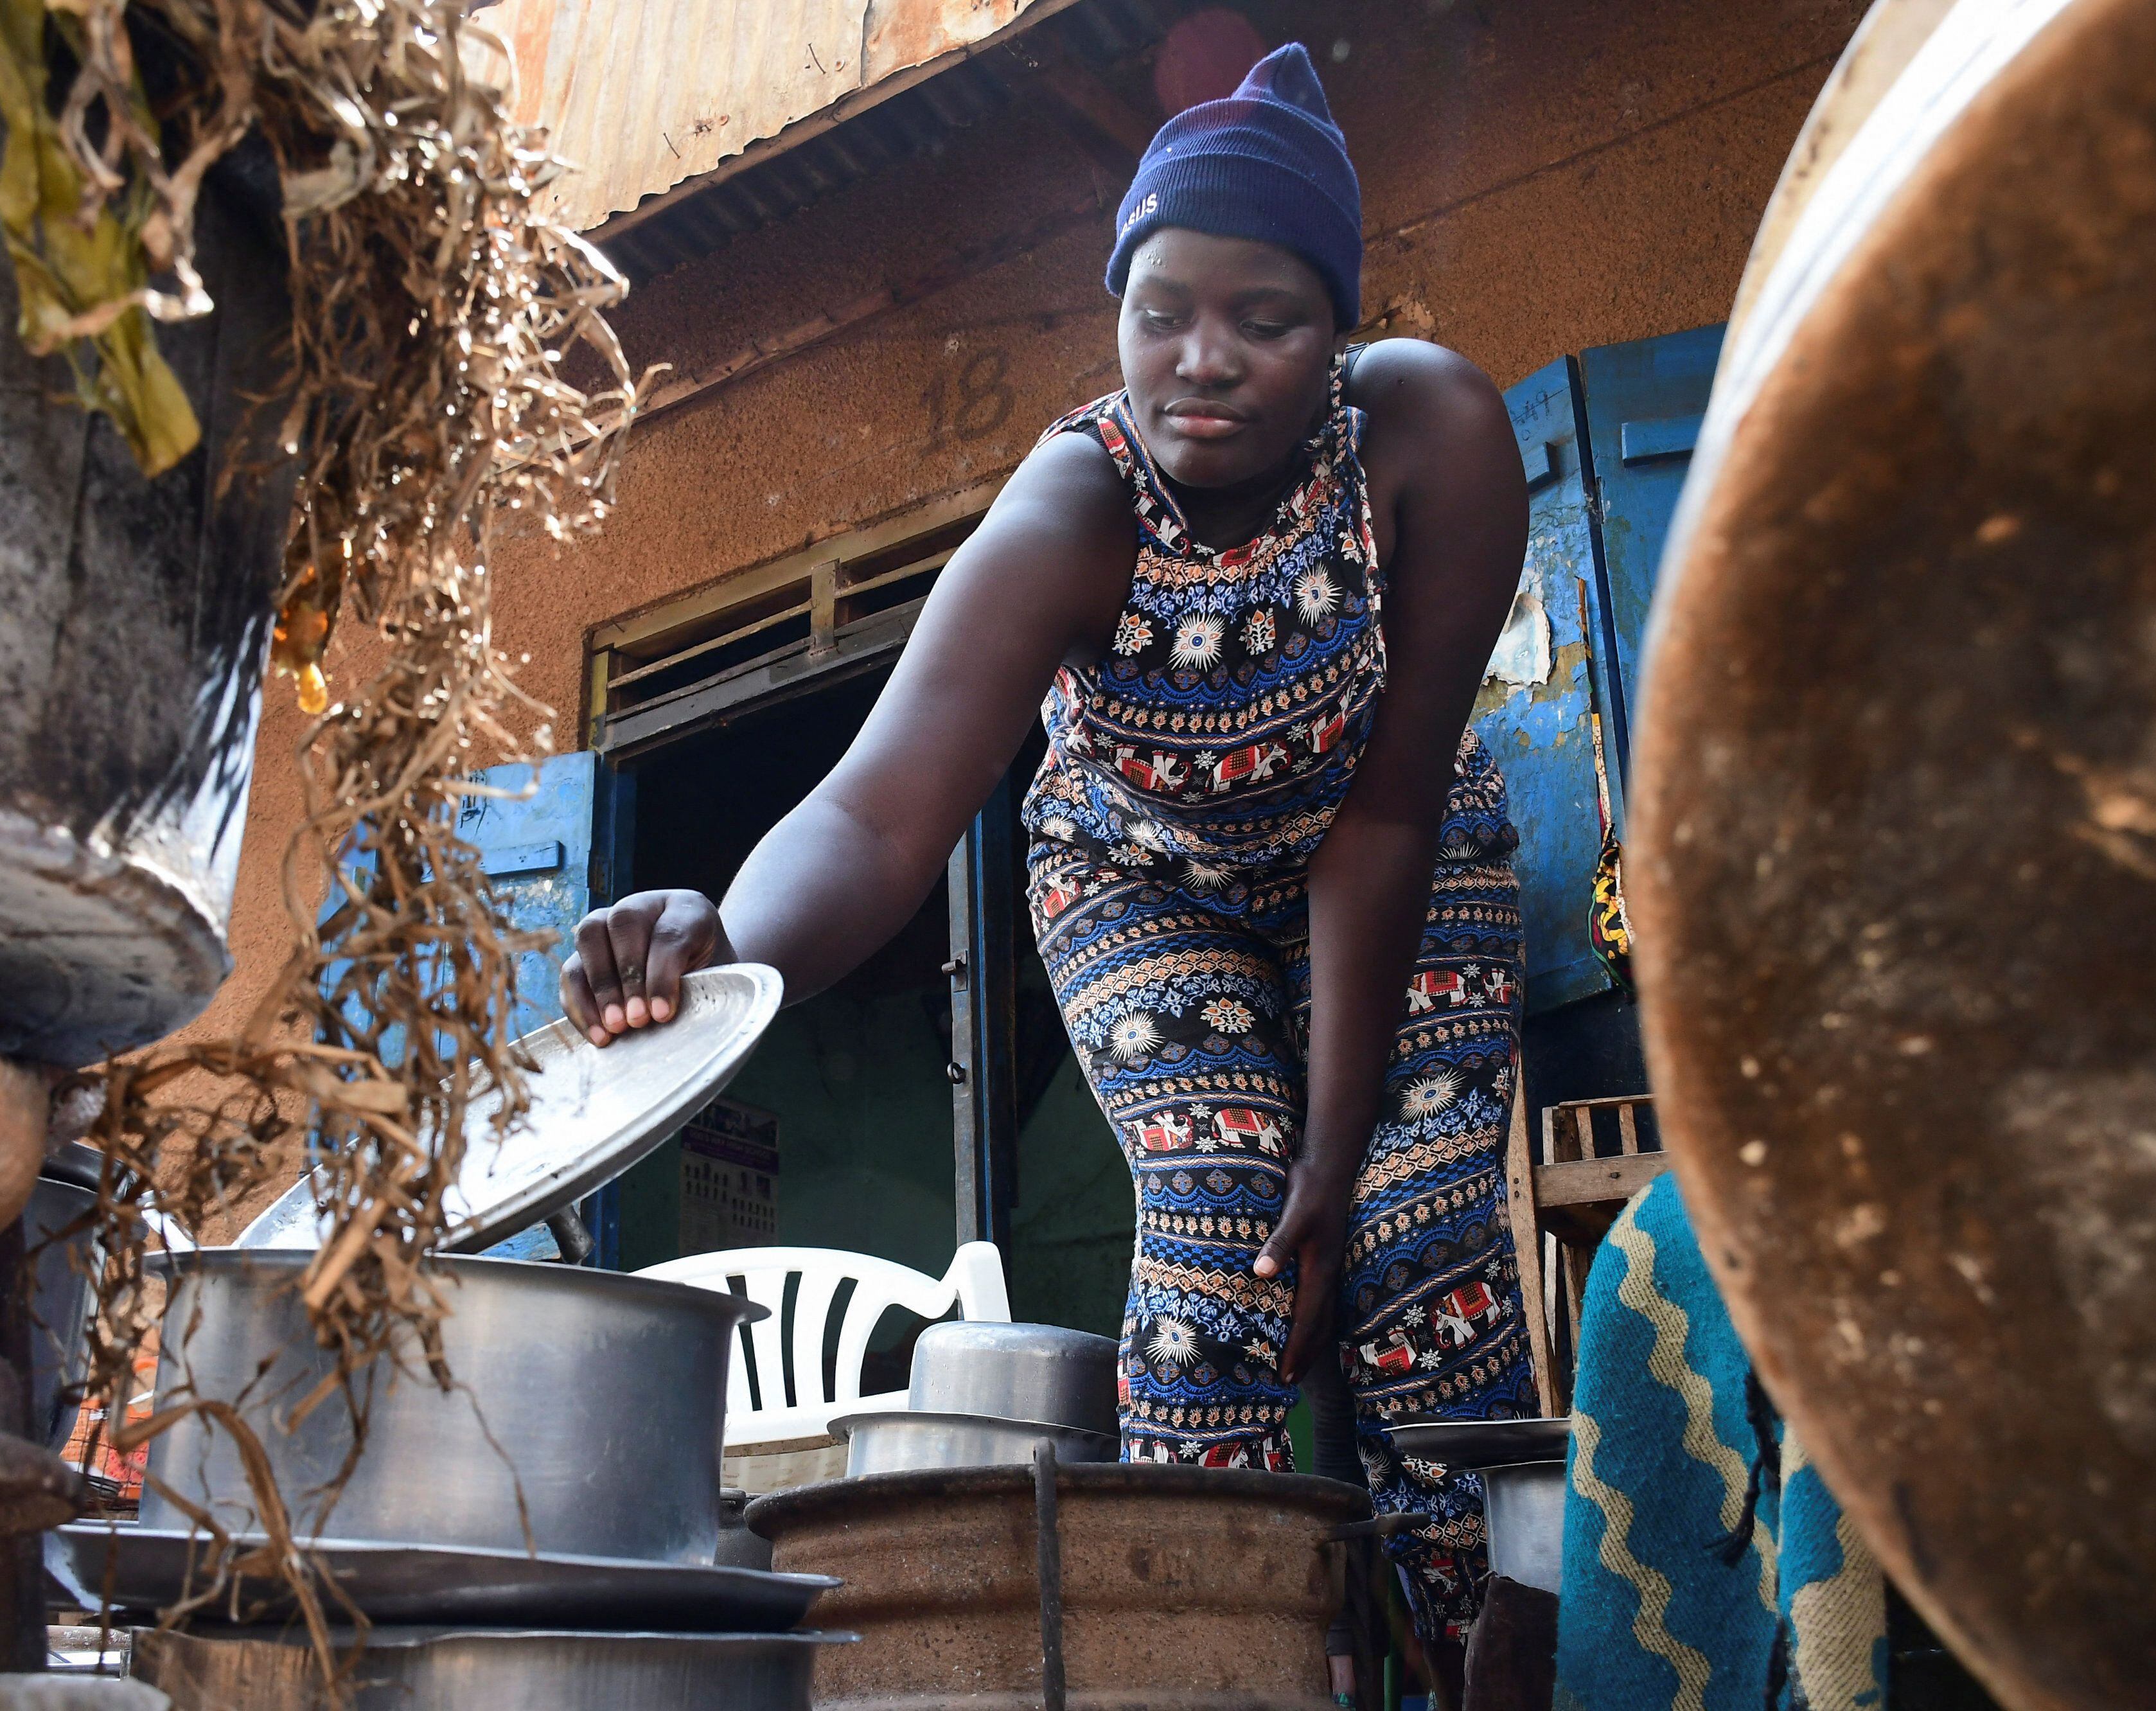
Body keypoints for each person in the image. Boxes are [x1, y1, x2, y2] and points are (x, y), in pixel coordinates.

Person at [561, 42, 1535, 1641]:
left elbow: (1388, 815)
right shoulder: (1073, 511)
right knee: (1218, 1244)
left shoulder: (1432, 437)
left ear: (1340, 334)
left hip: (1397, 856)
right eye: (1160, 315)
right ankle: (1207, 1662)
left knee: (1420, 1257)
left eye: (1264, 320)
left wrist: (1341, 1151)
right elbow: (879, 813)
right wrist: (724, 947)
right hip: (1139, 874)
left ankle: (1477, 1665)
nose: (1200, 363)